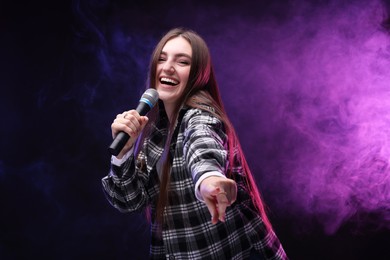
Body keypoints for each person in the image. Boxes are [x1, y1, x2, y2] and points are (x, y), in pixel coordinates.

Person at [102, 27, 288, 259]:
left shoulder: (201, 116)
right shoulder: (156, 133)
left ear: (198, 74)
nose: (168, 66)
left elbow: (202, 148)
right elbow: (129, 200)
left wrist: (208, 180)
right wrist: (124, 154)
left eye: (182, 62)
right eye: (162, 58)